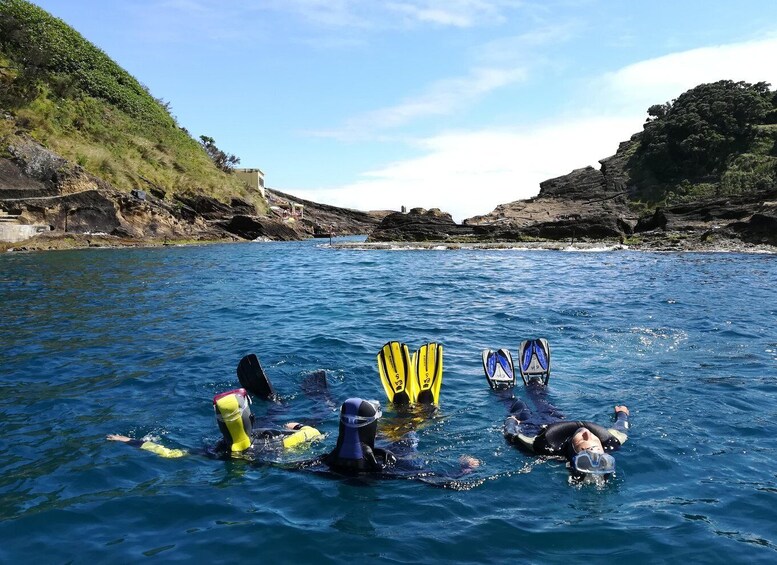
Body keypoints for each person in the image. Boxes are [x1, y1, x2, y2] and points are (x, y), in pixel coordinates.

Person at [486, 339, 630, 482]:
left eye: (583, 443)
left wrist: (511, 421)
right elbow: (621, 428)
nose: (587, 433)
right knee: (544, 403)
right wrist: (622, 414)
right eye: (595, 443)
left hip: (534, 428)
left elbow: (512, 436)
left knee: (520, 407)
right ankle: (535, 384)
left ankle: (503, 389)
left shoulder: (546, 445)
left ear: (573, 449)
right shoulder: (611, 442)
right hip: (557, 420)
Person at [107, 387, 323, 460]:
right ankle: (283, 404)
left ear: (220, 426)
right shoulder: (274, 444)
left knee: (273, 418)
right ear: (251, 418)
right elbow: (313, 432)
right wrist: (296, 427)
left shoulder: (214, 452)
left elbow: (169, 453)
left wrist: (129, 440)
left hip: (235, 454)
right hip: (265, 444)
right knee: (288, 417)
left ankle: (277, 406)